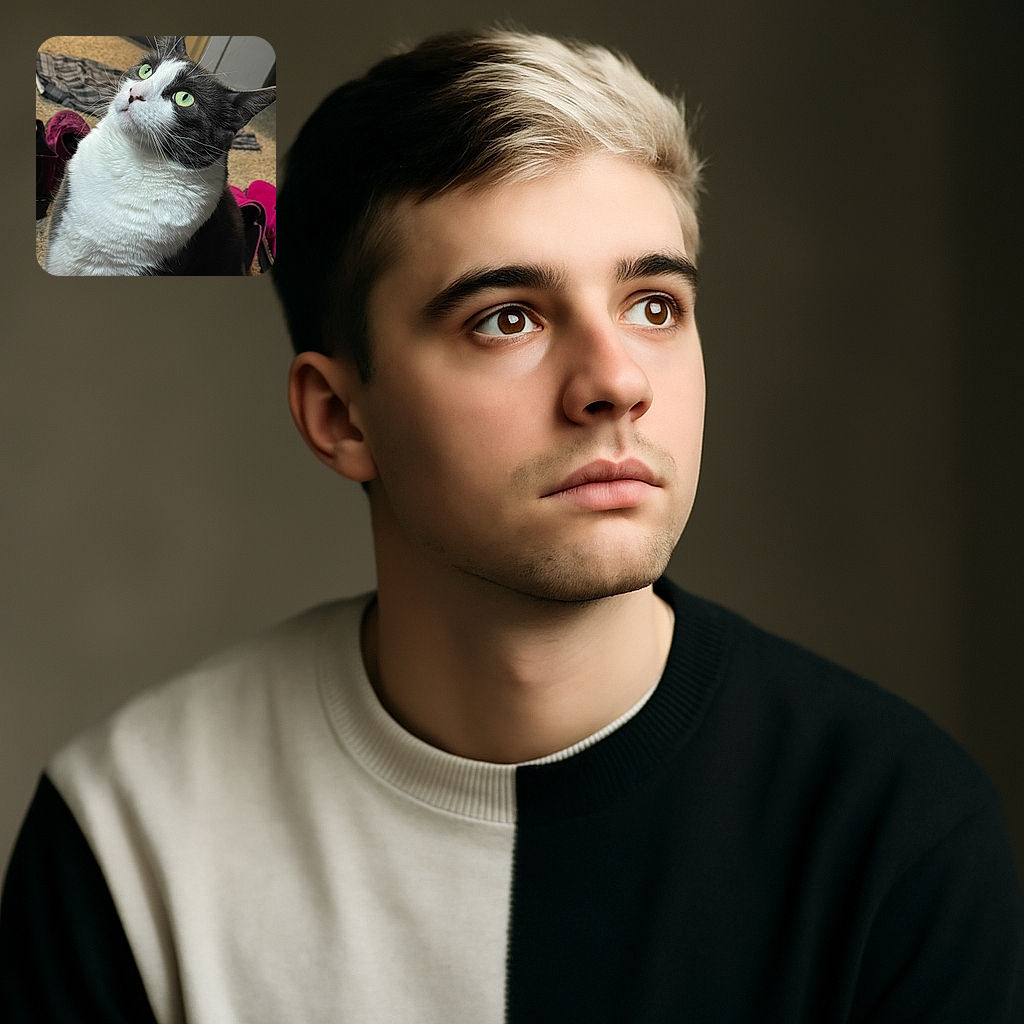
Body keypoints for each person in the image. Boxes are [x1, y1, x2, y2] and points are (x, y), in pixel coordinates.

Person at [2, 27, 1022, 1024]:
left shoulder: (895, 830)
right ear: (341, 417)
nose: (617, 381)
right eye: (507, 317)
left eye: (654, 305)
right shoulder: (127, 840)